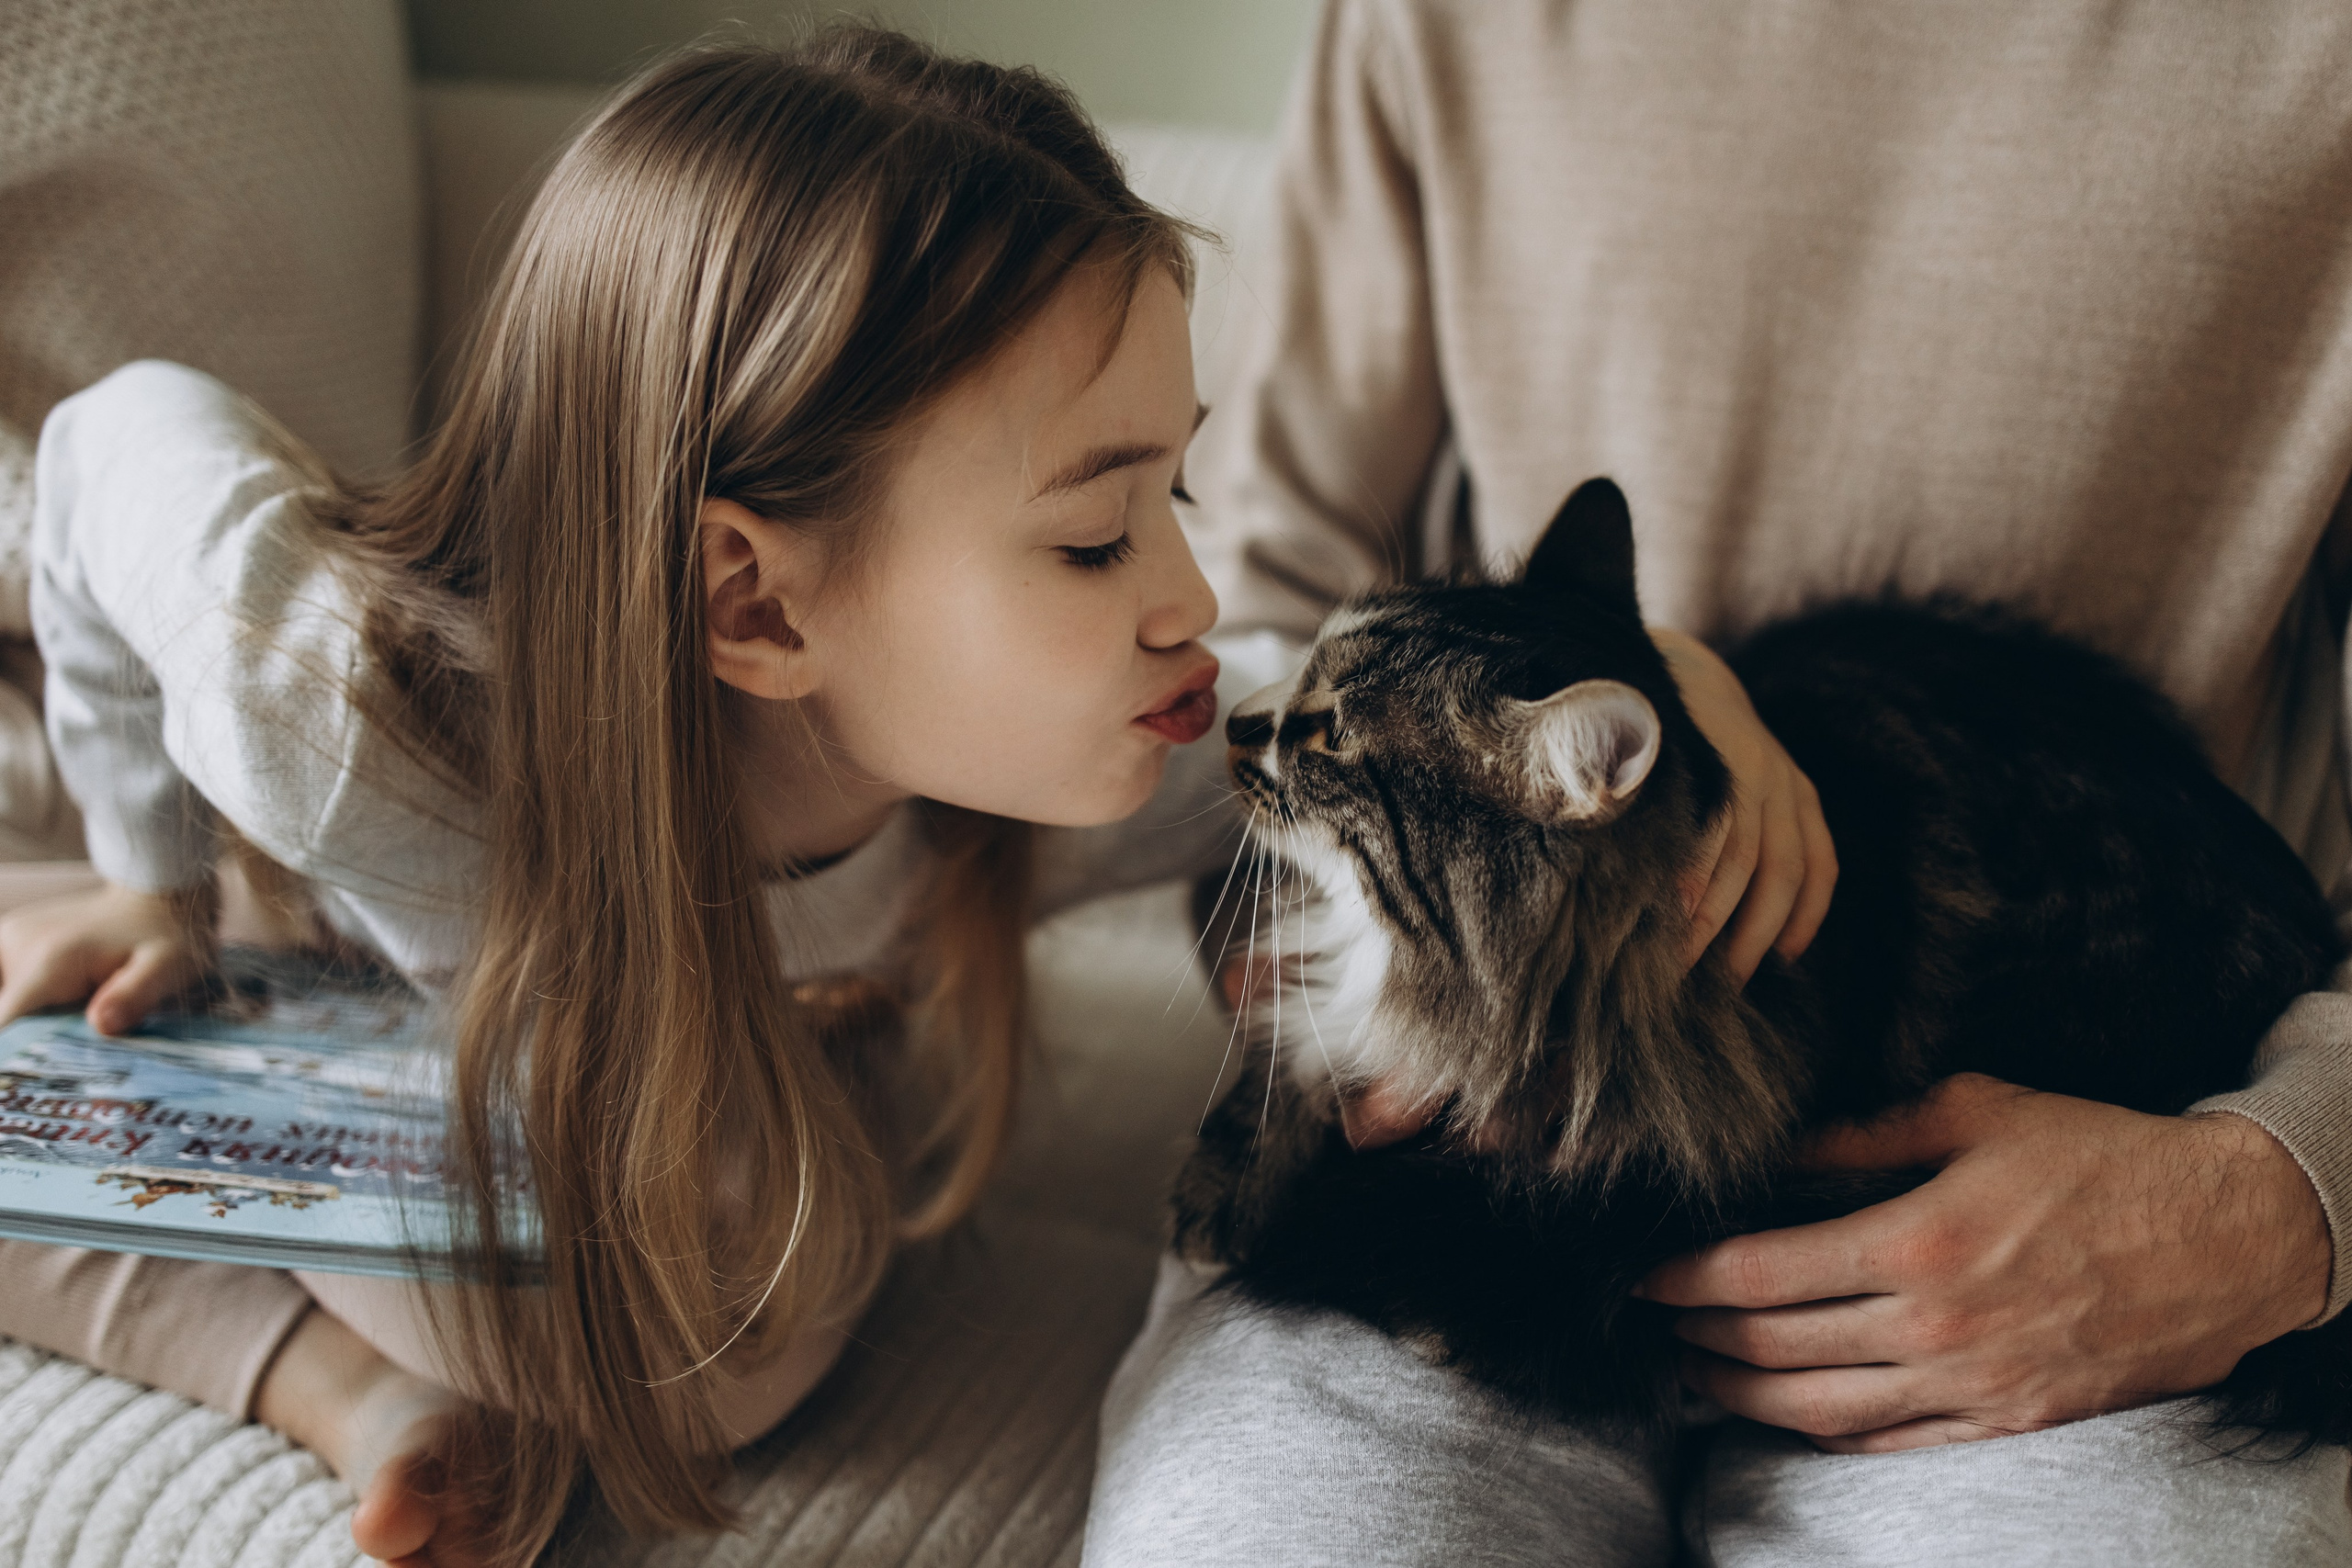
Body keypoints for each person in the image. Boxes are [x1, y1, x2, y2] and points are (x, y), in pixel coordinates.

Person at [0, 29, 1293, 1567]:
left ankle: (424, 1380)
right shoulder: (323, 710)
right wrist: (149, 871)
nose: (1190, 598)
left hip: (687, 1071)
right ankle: (337, 1386)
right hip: (295, 955)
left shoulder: (1058, 759)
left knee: (742, 1329)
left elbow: (1361, 717)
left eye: (1180, 497)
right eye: (1096, 539)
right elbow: (102, 442)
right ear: (754, 603)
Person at [1085, 2, 2352, 1564]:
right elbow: (1249, 608)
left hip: (2084, 1179)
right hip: (1451, 1040)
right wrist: (1340, 1001)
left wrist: (2288, 1192)